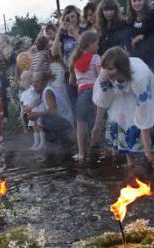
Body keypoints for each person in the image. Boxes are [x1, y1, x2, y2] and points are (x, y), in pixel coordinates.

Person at [92, 47, 154, 169]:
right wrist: (97, 125)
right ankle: (130, 163)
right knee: (122, 117)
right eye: (105, 68)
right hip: (122, 94)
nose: (106, 72)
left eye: (111, 69)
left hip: (139, 91)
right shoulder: (105, 72)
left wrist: (147, 151)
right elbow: (103, 100)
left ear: (121, 68)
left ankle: (151, 156)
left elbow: (144, 113)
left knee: (140, 122)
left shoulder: (139, 78)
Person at [71, 31, 101, 161]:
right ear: (89, 44)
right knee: (96, 122)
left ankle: (82, 154)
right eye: (97, 44)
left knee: (81, 124)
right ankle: (96, 147)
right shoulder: (96, 58)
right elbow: (100, 77)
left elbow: (71, 81)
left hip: (82, 93)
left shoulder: (75, 60)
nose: (98, 47)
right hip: (94, 91)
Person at [27, 71, 74, 147]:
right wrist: (30, 107)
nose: (34, 85)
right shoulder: (44, 91)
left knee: (43, 120)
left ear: (44, 82)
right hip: (62, 121)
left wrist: (37, 114)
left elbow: (53, 111)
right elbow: (39, 101)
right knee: (31, 119)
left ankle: (66, 141)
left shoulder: (48, 91)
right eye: (33, 82)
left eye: (37, 82)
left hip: (67, 123)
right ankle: (56, 142)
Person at [52, 5, 82, 105]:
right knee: (74, 103)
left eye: (73, 16)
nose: (70, 19)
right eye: (67, 17)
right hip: (69, 73)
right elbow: (54, 53)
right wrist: (58, 34)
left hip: (84, 71)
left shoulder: (83, 30)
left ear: (78, 17)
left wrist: (74, 32)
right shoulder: (63, 35)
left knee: (86, 102)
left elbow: (85, 46)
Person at [127, 0, 154, 71]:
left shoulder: (153, 14)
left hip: (151, 59)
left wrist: (142, 37)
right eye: (134, 1)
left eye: (139, 0)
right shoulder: (130, 18)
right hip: (135, 60)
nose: (137, 3)